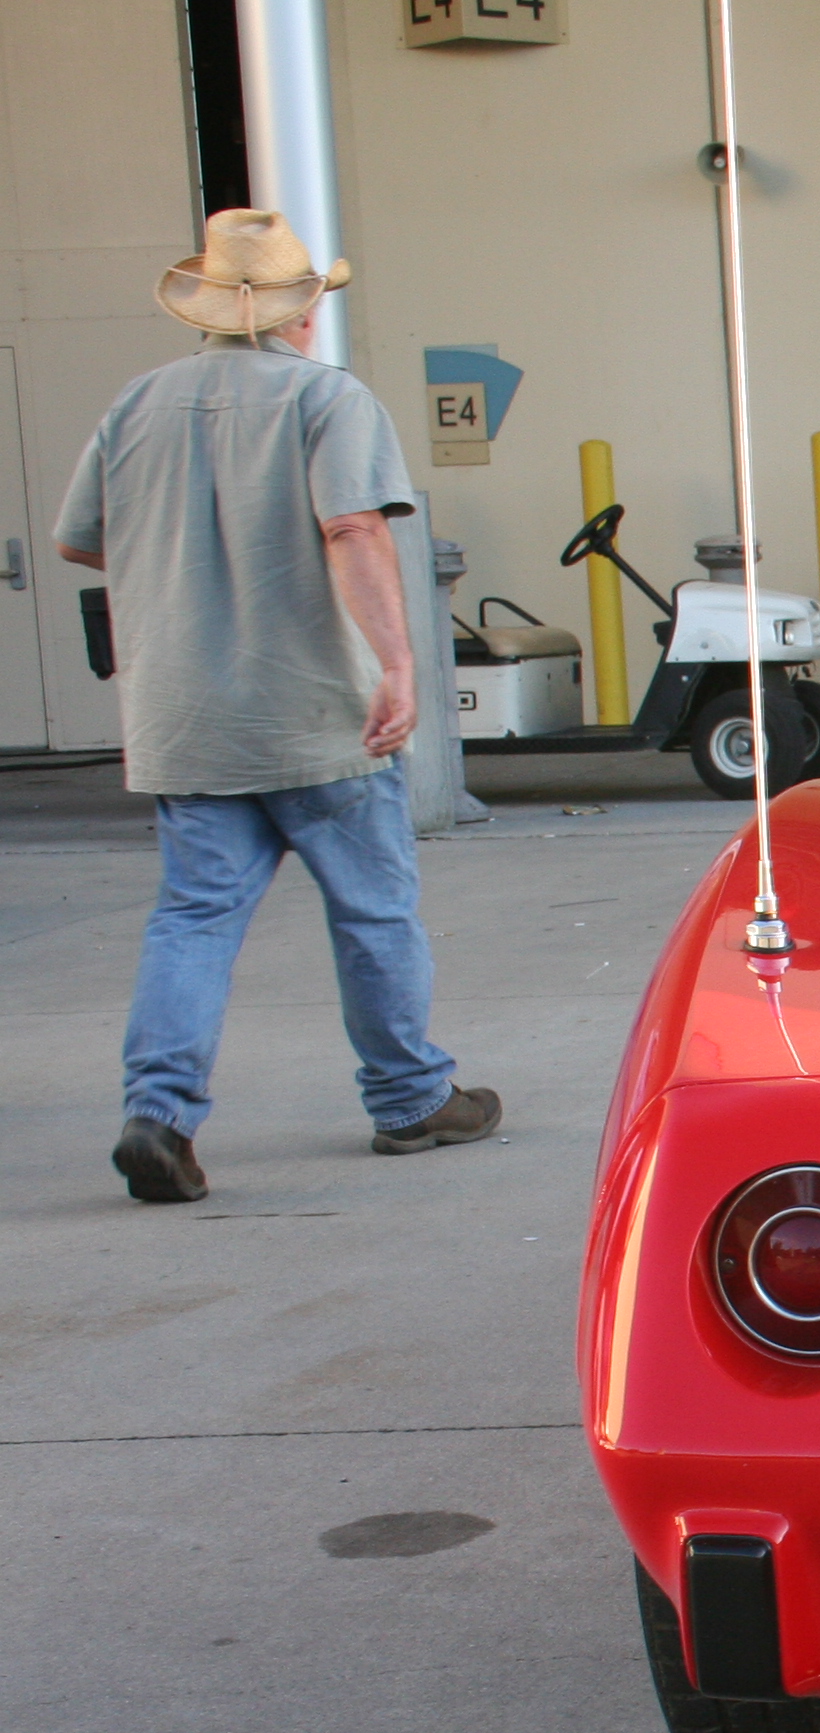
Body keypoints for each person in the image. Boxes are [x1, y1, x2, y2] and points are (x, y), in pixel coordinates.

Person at [55, 210, 497, 1205]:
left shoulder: (136, 405)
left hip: (186, 719)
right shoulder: (326, 400)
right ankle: (411, 1097)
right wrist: (398, 663)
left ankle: (158, 1116)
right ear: (303, 313)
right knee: (374, 913)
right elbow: (351, 527)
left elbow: (83, 538)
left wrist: (183, 555)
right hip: (318, 715)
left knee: (192, 921)